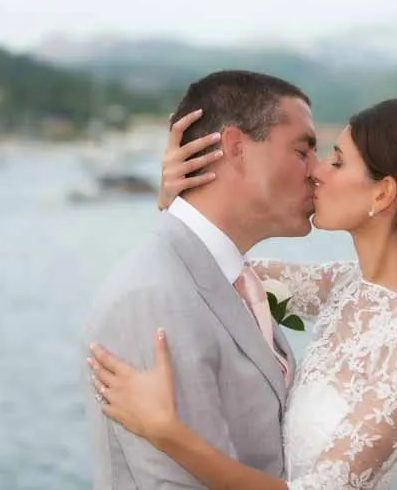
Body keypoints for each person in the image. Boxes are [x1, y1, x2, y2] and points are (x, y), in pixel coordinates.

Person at [87, 96, 397, 488]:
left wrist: (167, 432)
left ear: (383, 194)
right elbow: (214, 264)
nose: (317, 173)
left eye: (338, 161)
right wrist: (180, 196)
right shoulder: (345, 286)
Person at [82, 70, 319, 489]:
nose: (317, 173)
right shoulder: (155, 297)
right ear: (235, 148)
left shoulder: (230, 275)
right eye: (303, 152)